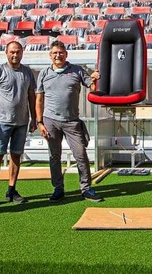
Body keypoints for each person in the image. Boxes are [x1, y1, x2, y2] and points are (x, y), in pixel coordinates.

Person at [36, 41, 103, 203]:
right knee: (54, 156)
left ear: (66, 54)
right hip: (50, 120)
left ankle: (86, 189)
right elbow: (39, 100)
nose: (58, 55)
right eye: (54, 53)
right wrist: (39, 122)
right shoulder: (44, 73)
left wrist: (94, 77)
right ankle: (58, 188)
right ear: (50, 56)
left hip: (72, 121)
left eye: (61, 52)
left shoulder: (77, 70)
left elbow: (92, 87)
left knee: (81, 155)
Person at [0, 41, 36, 209]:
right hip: (1, 122)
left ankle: (11, 190)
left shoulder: (27, 72)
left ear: (22, 53)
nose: (15, 55)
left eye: (18, 52)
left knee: (16, 155)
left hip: (21, 122)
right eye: (12, 52)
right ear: (6, 52)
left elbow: (31, 96)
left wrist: (34, 118)